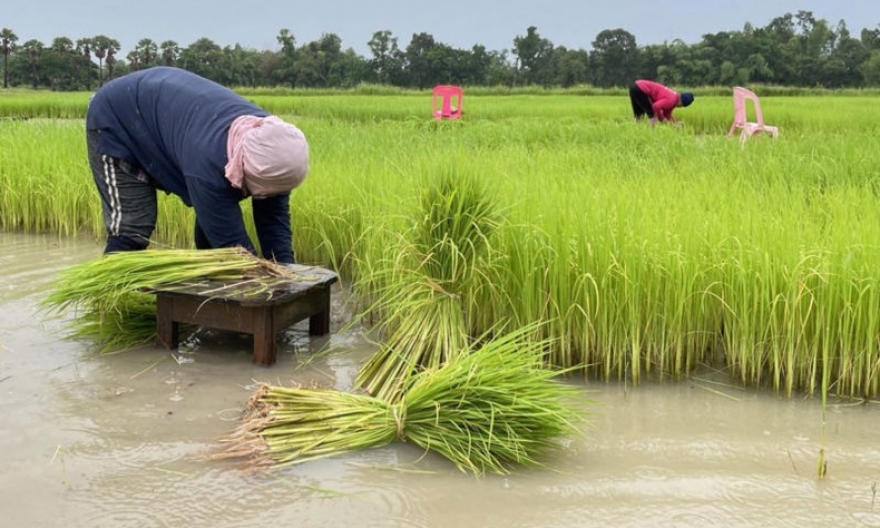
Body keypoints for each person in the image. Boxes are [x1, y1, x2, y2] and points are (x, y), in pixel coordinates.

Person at [86, 66, 310, 264]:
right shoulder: (209, 167)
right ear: (241, 170)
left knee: (215, 221)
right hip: (119, 121)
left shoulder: (276, 147)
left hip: (170, 112)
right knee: (132, 229)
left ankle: (210, 299)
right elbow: (235, 252)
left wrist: (288, 273)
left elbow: (274, 222)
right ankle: (110, 303)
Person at [629, 79, 694, 126]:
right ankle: (652, 135)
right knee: (652, 115)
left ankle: (635, 131)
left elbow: (667, 114)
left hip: (635, 86)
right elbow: (656, 106)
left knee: (639, 116)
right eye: (682, 106)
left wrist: (675, 123)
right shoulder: (672, 100)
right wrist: (662, 119)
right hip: (641, 89)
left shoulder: (674, 97)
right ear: (681, 103)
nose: (680, 107)